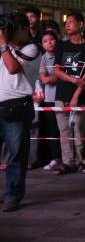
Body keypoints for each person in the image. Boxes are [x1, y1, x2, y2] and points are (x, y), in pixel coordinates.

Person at [0, 13, 39, 212]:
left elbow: (13, 68)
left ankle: (12, 196)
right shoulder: (5, 48)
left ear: (25, 29)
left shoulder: (32, 48)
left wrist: (2, 44)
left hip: (17, 106)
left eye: (13, 29)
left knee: (15, 156)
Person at [53, 13, 85, 175]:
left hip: (81, 96)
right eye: (66, 23)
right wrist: (73, 80)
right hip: (61, 93)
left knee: (79, 130)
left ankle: (80, 161)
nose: (67, 25)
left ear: (81, 24)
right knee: (64, 131)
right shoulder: (62, 46)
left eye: (70, 22)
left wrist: (76, 95)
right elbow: (57, 71)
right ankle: (67, 162)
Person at [38, 31, 62, 172]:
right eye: (45, 41)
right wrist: (59, 75)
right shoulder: (43, 58)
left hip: (62, 97)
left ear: (56, 41)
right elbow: (45, 79)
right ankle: (54, 158)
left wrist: (55, 75)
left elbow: (68, 74)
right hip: (49, 99)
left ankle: (66, 158)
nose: (49, 43)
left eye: (52, 39)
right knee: (52, 130)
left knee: (64, 130)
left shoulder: (62, 55)